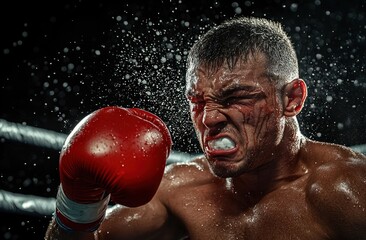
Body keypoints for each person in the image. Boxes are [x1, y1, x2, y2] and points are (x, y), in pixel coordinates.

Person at [45, 16, 366, 240]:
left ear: (292, 99)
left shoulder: (345, 190)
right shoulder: (181, 192)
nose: (209, 118)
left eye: (236, 97)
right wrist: (78, 202)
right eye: (198, 102)